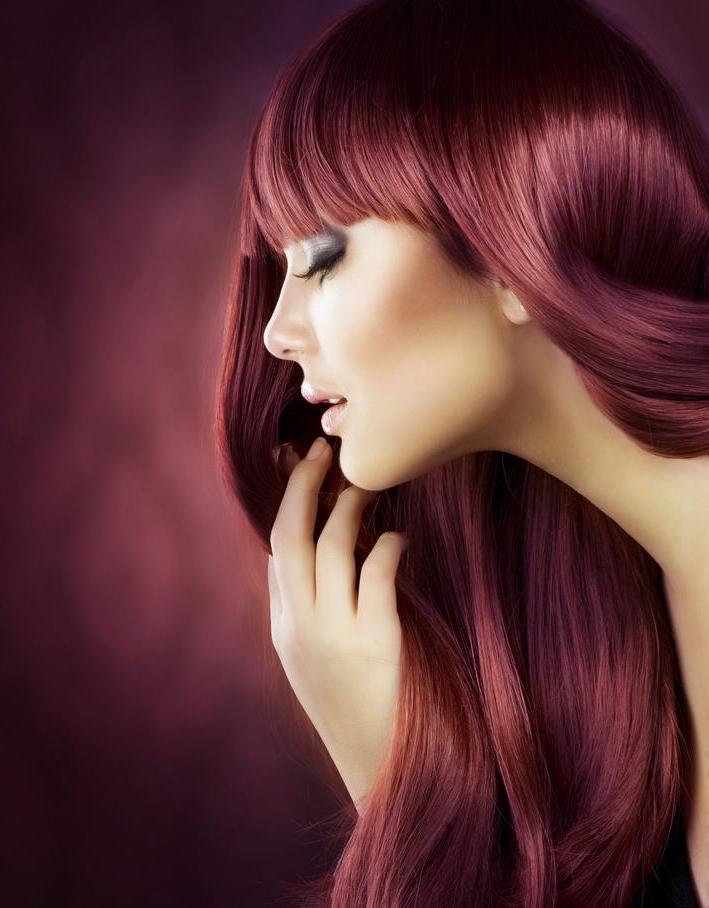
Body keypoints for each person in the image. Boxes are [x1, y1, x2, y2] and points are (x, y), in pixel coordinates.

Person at [215, 0, 709, 904]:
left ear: (520, 247)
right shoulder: (603, 596)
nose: (277, 333)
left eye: (321, 257)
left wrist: (387, 789)